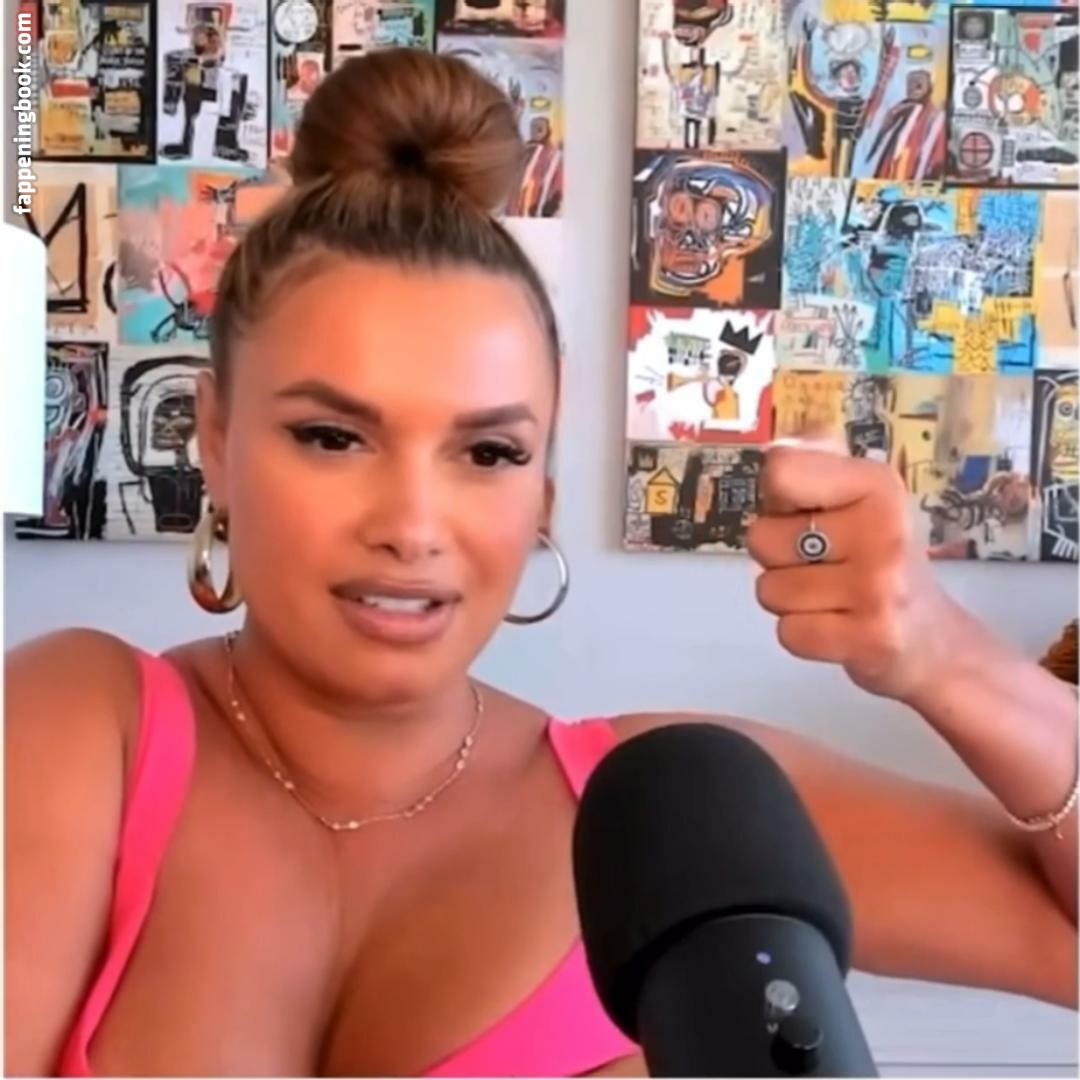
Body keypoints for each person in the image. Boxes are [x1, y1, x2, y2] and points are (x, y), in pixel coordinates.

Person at [5, 49, 1077, 1078]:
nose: (413, 525)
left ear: (543, 492)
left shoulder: (674, 811)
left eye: (488, 453)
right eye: (332, 437)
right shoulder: (82, 727)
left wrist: (945, 654)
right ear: (214, 439)